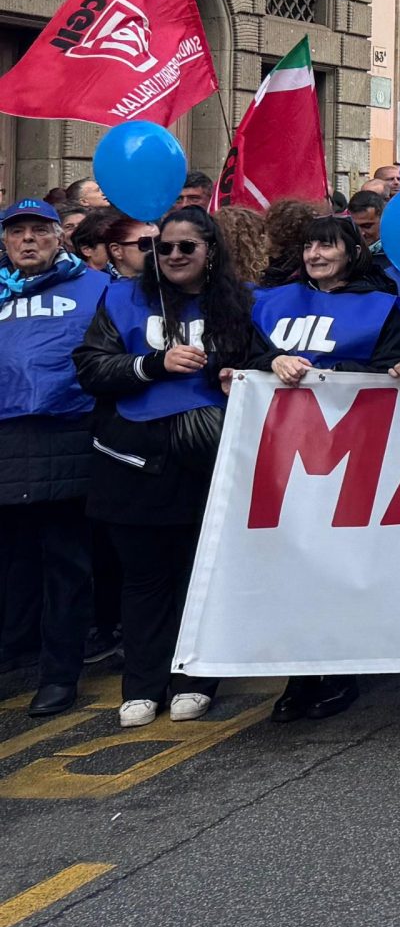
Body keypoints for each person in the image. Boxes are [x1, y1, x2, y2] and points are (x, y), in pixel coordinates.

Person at [78, 206, 307, 728]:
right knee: (144, 579)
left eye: (187, 247)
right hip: (132, 459)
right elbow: (91, 366)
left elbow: (259, 356)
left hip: (205, 459)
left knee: (197, 575)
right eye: (163, 247)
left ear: (210, 254)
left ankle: (196, 679)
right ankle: (141, 685)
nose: (174, 255)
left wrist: (255, 368)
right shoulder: (118, 297)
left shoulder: (237, 303)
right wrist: (151, 365)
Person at [252, 216, 400, 723]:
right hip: (285, 454)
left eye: (326, 245)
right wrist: (270, 362)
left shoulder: (389, 307)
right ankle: (301, 672)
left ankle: (341, 669)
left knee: (342, 563)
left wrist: (331, 376)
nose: (315, 254)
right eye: (308, 245)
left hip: (355, 453)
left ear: (352, 252)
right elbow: (240, 355)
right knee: (295, 563)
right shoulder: (269, 303)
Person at [0, 199, 110, 719]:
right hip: (6, 442)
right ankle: (16, 650)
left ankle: (59, 674)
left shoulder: (94, 288)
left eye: (38, 232)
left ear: (57, 237)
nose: (27, 241)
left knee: (65, 564)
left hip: (68, 438)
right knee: (14, 564)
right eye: (16, 232)